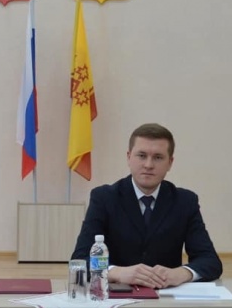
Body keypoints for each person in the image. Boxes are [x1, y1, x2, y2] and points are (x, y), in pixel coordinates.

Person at [71, 123, 222, 289]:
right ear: (129, 157)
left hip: (166, 296)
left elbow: (210, 261)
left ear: (170, 162)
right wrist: (117, 273)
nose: (149, 165)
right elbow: (80, 260)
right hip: (117, 295)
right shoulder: (104, 198)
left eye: (158, 157)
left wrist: (181, 273)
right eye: (142, 156)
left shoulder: (185, 201)